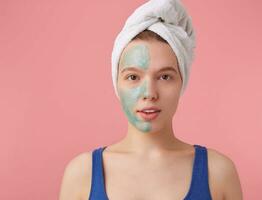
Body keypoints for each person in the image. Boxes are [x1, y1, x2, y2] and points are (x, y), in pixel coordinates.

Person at [59, 0, 243, 200]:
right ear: (116, 84)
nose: (149, 93)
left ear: (182, 82)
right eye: (133, 77)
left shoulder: (218, 173)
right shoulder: (81, 174)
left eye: (165, 77)